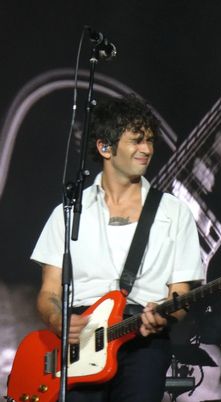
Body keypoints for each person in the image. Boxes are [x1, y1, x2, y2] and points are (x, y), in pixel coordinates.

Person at [31, 94, 204, 402]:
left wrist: (165, 315)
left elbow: (180, 294)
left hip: (144, 343)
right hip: (80, 345)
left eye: (150, 140)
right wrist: (59, 320)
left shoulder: (174, 212)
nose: (147, 150)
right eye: (136, 140)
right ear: (105, 147)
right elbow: (49, 294)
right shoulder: (69, 211)